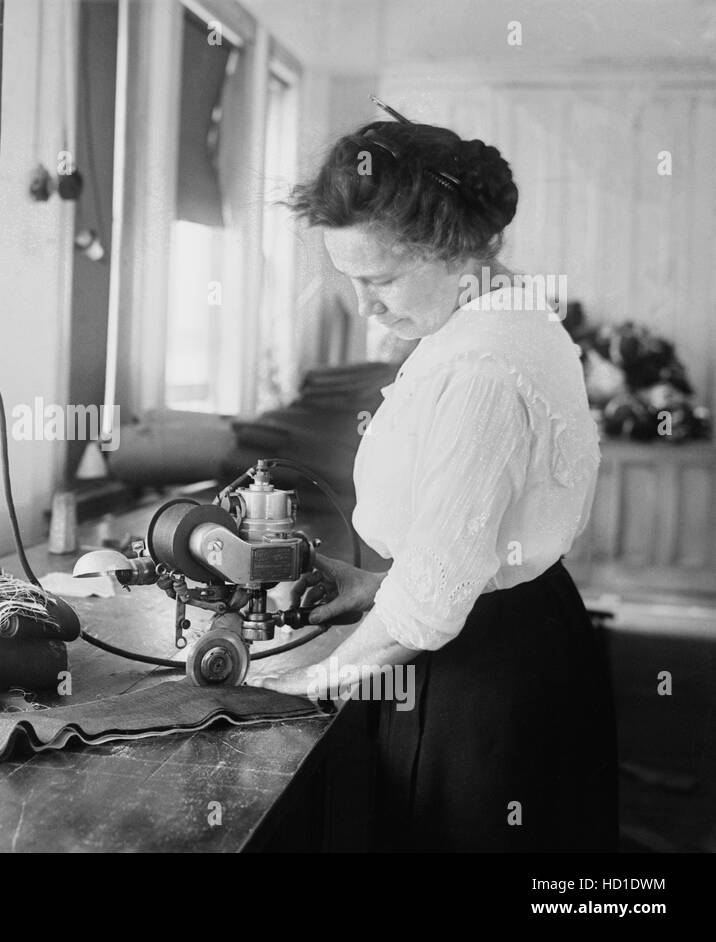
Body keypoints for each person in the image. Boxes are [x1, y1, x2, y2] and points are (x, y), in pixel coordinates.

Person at [246, 114, 618, 852]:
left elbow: (428, 606)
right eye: (352, 280)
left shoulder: (479, 366)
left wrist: (308, 684)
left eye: (379, 279)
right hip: (516, 628)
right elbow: (470, 540)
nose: (367, 306)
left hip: (481, 673)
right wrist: (366, 586)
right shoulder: (508, 318)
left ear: (453, 251)